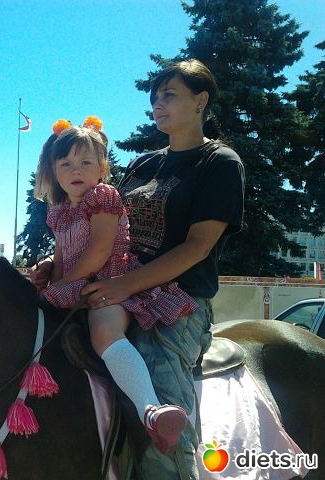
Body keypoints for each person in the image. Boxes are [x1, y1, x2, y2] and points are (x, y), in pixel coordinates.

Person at [31, 60, 245, 480]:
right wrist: (55, 264)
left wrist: (123, 284)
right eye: (154, 97)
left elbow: (199, 246)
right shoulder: (144, 164)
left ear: (200, 100)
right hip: (112, 285)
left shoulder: (218, 162)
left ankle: (170, 455)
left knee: (161, 396)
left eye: (169, 95)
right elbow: (100, 231)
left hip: (175, 298)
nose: (157, 104)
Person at [34, 116, 200, 455]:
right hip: (76, 285)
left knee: (103, 328)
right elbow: (62, 254)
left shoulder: (103, 197)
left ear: (102, 167)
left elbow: (99, 251)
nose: (76, 170)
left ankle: (150, 410)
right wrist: (51, 277)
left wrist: (64, 285)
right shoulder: (59, 211)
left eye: (86, 162)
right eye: (66, 164)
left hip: (110, 283)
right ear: (54, 171)